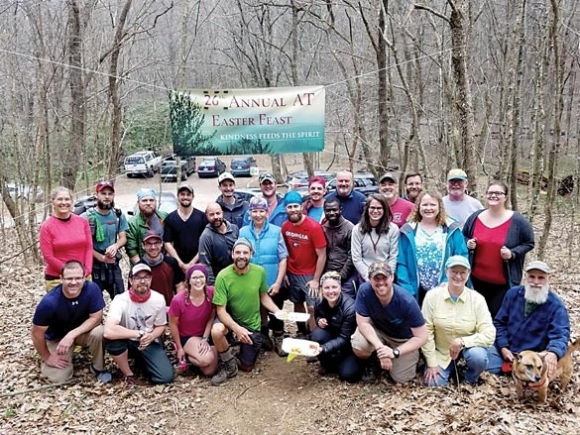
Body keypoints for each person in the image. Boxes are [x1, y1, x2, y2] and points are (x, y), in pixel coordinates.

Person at [210, 238, 283, 386]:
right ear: (232, 254)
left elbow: (263, 296)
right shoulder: (223, 276)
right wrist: (236, 329)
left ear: (251, 254)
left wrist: (278, 311)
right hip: (230, 321)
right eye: (238, 252)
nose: (241, 256)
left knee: (247, 366)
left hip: (250, 323)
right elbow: (221, 310)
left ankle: (258, 339)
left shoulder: (259, 272)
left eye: (245, 252)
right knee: (216, 331)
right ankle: (228, 363)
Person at [31, 260, 111, 383]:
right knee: (57, 378)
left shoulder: (92, 289)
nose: (73, 282)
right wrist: (46, 357)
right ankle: (53, 357)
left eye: (78, 278)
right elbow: (36, 333)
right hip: (57, 338)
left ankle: (98, 367)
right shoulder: (49, 302)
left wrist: (71, 335)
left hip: (81, 333)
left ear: (84, 278)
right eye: (69, 279)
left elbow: (96, 318)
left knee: (100, 331)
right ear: (61, 279)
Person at [487, 261, 570, 379]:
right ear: (525, 277)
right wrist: (503, 347)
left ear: (548, 279)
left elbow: (561, 334)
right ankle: (511, 370)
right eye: (532, 277)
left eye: (541, 278)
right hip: (507, 352)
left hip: (533, 359)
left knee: (543, 370)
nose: (536, 282)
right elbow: (499, 323)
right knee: (481, 359)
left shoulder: (556, 306)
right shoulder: (512, 294)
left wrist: (553, 353)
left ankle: (522, 373)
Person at [463, 181, 535, 317]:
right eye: (490, 193)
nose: (493, 196)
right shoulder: (475, 217)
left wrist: (512, 253)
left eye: (498, 193)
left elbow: (529, 243)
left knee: (498, 320)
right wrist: (468, 243)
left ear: (505, 197)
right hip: (475, 281)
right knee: (477, 318)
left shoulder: (518, 221)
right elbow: (463, 236)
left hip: (503, 283)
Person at [421, 256, 495, 387]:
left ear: (469, 273)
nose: (458, 276)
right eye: (454, 271)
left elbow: (489, 333)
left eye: (462, 272)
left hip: (468, 349)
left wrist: (462, 342)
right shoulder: (432, 296)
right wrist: (432, 363)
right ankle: (447, 369)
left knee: (478, 356)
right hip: (442, 351)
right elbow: (426, 332)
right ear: (446, 272)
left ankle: (470, 379)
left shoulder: (477, 300)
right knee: (433, 384)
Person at [351, 261, 427, 384]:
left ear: (392, 277)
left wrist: (394, 352)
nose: (381, 282)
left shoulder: (406, 301)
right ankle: (373, 362)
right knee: (359, 344)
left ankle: (414, 356)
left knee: (401, 379)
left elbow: (422, 337)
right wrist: (380, 349)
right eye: (376, 278)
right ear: (369, 279)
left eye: (384, 277)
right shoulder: (364, 291)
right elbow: (363, 323)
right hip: (380, 331)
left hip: (402, 339)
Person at [104, 263, 174, 385]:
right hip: (127, 340)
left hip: (148, 340)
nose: (142, 281)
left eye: (146, 277)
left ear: (151, 279)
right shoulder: (120, 300)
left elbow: (160, 326)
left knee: (165, 377)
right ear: (130, 280)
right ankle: (128, 373)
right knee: (113, 342)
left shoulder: (158, 299)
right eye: (138, 278)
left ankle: (143, 361)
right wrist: (139, 334)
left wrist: (151, 336)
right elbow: (108, 331)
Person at [396, 191, 468, 303]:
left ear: (440, 207)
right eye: (424, 204)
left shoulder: (452, 229)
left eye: (433, 204)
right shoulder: (408, 231)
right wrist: (408, 291)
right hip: (416, 293)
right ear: (418, 207)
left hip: (446, 290)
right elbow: (401, 263)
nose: (428, 208)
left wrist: (448, 282)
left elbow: (461, 258)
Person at [239, 196, 289, 356]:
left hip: (272, 279)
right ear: (250, 213)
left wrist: (278, 282)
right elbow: (239, 257)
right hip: (251, 281)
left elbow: (283, 258)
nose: (258, 215)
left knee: (276, 309)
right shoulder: (243, 231)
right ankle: (263, 336)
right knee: (258, 310)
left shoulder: (276, 231)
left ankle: (279, 337)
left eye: (261, 211)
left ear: (267, 212)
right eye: (255, 211)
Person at [281, 191, 327, 334]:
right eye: (290, 207)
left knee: (312, 307)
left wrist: (316, 279)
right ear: (285, 209)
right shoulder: (285, 227)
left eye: (296, 206)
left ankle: (314, 335)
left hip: (310, 273)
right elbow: (284, 251)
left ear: (301, 207)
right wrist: (285, 273)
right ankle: (301, 331)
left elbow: (322, 255)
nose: (293, 209)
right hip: (292, 272)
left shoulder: (313, 227)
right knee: (296, 302)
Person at [168, 264, 218, 377]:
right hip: (187, 337)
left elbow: (211, 316)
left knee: (209, 371)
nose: (198, 280)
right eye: (194, 278)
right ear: (188, 281)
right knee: (207, 359)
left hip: (204, 334)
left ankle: (205, 352)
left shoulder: (211, 292)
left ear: (206, 279)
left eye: (201, 277)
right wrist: (180, 347)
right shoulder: (178, 300)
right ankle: (185, 354)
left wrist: (205, 338)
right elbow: (173, 324)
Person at [82, 180, 128, 300]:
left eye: (110, 194)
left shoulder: (118, 215)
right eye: (103, 193)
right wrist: (100, 257)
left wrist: (115, 246)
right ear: (97, 194)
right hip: (94, 267)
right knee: (94, 305)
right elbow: (84, 245)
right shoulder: (86, 217)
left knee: (121, 301)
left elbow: (123, 237)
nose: (107, 197)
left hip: (113, 266)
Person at [40, 187, 93, 291]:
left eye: (67, 199)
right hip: (57, 279)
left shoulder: (82, 222)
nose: (64, 202)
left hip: (83, 276)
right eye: (60, 199)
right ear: (53, 202)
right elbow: (48, 256)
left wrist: (86, 271)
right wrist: (70, 273)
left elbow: (89, 248)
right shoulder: (46, 227)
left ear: (72, 201)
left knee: (85, 307)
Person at [310, 271, 359, 382]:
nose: (331, 291)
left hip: (348, 343)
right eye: (327, 288)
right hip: (331, 335)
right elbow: (317, 317)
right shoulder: (319, 301)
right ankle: (327, 363)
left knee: (348, 375)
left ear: (340, 288)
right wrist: (319, 321)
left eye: (334, 287)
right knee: (316, 335)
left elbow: (344, 338)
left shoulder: (349, 308)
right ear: (321, 289)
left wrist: (323, 348)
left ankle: (348, 362)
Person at [351, 194, 399, 281]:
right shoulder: (357, 230)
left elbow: (393, 256)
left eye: (379, 208)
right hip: (366, 276)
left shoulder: (393, 229)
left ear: (385, 210)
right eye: (372, 207)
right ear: (367, 209)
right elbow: (356, 258)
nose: (375, 211)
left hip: (386, 276)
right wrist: (368, 278)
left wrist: (388, 276)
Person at [163, 184, 208, 273]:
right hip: (177, 266)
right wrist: (180, 263)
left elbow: (206, 243)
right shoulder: (170, 218)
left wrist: (192, 263)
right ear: (178, 196)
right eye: (182, 194)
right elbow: (167, 243)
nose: (185, 197)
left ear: (193, 196)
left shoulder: (202, 217)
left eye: (188, 194)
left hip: (198, 264)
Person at [322, 199, 357, 298]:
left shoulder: (350, 228)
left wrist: (341, 277)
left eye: (334, 210)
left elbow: (352, 256)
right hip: (328, 274)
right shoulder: (323, 228)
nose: (331, 213)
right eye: (328, 211)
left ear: (340, 210)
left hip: (346, 276)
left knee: (346, 304)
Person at [198, 202, 240, 285]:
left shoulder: (235, 229)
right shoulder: (206, 236)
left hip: (237, 278)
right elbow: (205, 263)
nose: (216, 217)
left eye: (218, 213)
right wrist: (212, 286)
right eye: (211, 214)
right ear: (207, 216)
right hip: (219, 280)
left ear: (222, 213)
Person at [139, 230, 184, 307]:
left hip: (170, 310)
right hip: (148, 313)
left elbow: (179, 286)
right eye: (149, 244)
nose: (153, 247)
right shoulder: (138, 268)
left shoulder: (172, 263)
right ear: (143, 246)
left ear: (162, 244)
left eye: (156, 243)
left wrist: (177, 307)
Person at [126, 188, 168, 264]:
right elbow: (131, 250)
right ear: (138, 203)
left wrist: (167, 265)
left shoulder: (164, 217)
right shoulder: (132, 223)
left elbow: (171, 243)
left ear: (156, 202)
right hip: (142, 266)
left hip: (163, 264)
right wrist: (142, 269)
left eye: (151, 200)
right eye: (144, 200)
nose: (148, 203)